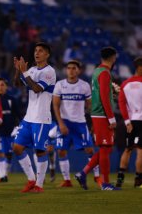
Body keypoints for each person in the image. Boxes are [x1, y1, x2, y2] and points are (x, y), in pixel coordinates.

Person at [13, 42, 56, 193]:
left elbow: (37, 89)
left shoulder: (50, 72)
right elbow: (17, 84)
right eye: (36, 50)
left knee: (40, 151)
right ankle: (31, 180)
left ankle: (39, 185)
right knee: (17, 148)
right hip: (29, 117)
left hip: (41, 119)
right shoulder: (31, 69)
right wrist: (18, 70)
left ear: (47, 55)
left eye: (41, 51)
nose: (37, 53)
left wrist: (25, 73)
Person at [75, 47, 119, 191]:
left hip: (97, 113)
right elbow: (104, 98)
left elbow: (103, 95)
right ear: (113, 57)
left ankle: (83, 173)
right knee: (106, 148)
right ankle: (105, 183)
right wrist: (111, 118)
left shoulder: (96, 71)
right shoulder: (105, 73)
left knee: (106, 148)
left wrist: (111, 98)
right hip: (102, 115)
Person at [53, 60, 100, 187]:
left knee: (90, 149)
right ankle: (67, 180)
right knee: (61, 151)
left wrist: (94, 123)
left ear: (79, 70)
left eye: (74, 68)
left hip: (80, 123)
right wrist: (61, 123)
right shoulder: (59, 85)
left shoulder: (84, 86)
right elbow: (55, 105)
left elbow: (90, 106)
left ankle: (97, 177)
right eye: (68, 68)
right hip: (65, 123)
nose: (71, 70)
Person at [116, 57, 142, 188]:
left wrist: (127, 122)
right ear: (139, 67)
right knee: (140, 151)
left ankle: (120, 178)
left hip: (130, 121)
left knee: (127, 149)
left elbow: (121, 103)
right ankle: (138, 180)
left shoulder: (125, 84)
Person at [0, 78, 18, 182]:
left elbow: (16, 114)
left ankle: (5, 174)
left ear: (6, 86)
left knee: (9, 154)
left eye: (2, 85)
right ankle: (2, 175)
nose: (0, 87)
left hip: (9, 131)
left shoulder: (11, 99)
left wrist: (16, 127)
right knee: (0, 152)